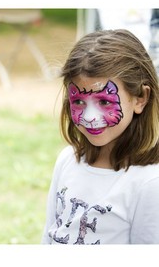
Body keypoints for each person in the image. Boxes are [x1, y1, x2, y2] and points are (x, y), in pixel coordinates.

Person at [41, 29, 159, 244]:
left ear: (141, 98)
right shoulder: (67, 160)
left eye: (104, 102)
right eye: (78, 102)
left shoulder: (149, 183)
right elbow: (48, 238)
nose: (89, 117)